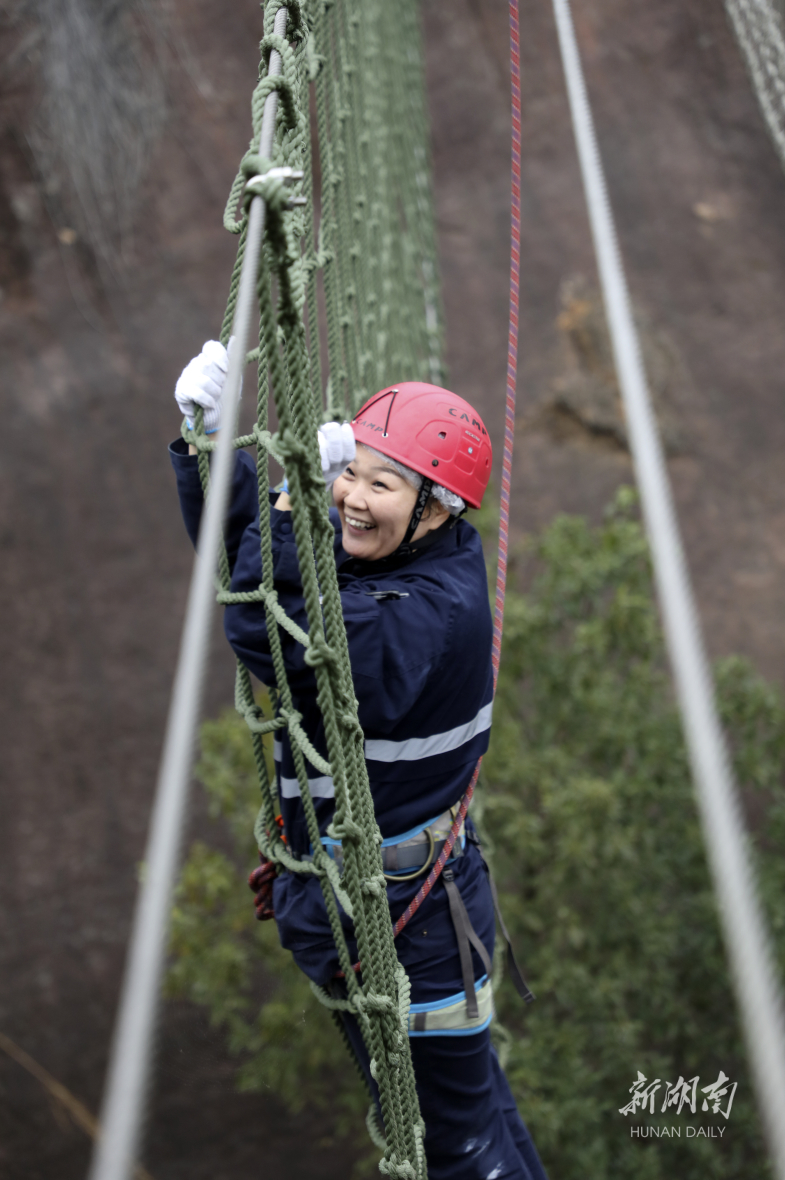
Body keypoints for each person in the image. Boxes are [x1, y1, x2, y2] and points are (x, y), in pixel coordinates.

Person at [170, 341, 548, 1180]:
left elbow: (276, 629)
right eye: (352, 473)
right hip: (368, 896)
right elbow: (254, 579)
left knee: (460, 1149)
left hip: (407, 918)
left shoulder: (429, 610)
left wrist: (284, 495)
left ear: (439, 507)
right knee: (471, 1116)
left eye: (382, 483)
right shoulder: (402, 554)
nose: (350, 497)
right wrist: (210, 441)